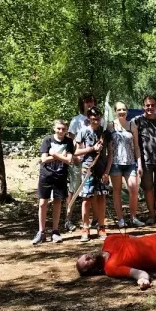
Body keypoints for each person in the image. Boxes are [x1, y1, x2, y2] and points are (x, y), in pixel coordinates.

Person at [33, 119, 76, 245]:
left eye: (63, 129)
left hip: (60, 175)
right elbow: (44, 159)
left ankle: (55, 231)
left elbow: (69, 160)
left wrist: (54, 154)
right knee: (42, 203)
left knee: (57, 202)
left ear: (66, 130)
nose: (61, 131)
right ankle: (41, 232)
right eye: (58, 128)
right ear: (54, 128)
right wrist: (61, 156)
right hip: (46, 175)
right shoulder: (48, 140)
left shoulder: (69, 141)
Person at [75, 107, 113, 242]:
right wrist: (92, 148)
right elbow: (77, 152)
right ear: (88, 118)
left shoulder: (105, 133)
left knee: (101, 198)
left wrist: (107, 171)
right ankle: (85, 228)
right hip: (88, 170)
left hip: (102, 170)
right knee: (86, 199)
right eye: (92, 118)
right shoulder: (83, 132)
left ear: (100, 117)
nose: (95, 120)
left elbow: (110, 154)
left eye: (97, 118)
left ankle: (101, 227)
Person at [133, 95, 156, 225]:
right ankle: (152, 215)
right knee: (148, 188)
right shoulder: (137, 121)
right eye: (147, 105)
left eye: (152, 105)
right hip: (145, 161)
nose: (150, 107)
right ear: (143, 106)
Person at [108, 102, 145, 229]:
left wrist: (139, 164)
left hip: (130, 163)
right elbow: (108, 146)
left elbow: (137, 147)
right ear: (115, 112)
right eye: (119, 110)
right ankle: (121, 219)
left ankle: (133, 217)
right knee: (117, 191)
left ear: (127, 111)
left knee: (134, 189)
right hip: (115, 163)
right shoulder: (111, 126)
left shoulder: (132, 125)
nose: (122, 112)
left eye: (124, 109)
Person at [65, 94, 96, 231]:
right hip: (78, 160)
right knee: (73, 190)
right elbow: (69, 140)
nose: (89, 104)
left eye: (91, 102)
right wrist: (72, 155)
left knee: (93, 191)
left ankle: (96, 219)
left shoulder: (98, 119)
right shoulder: (76, 120)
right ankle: (68, 220)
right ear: (82, 104)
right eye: (86, 102)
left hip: (93, 162)